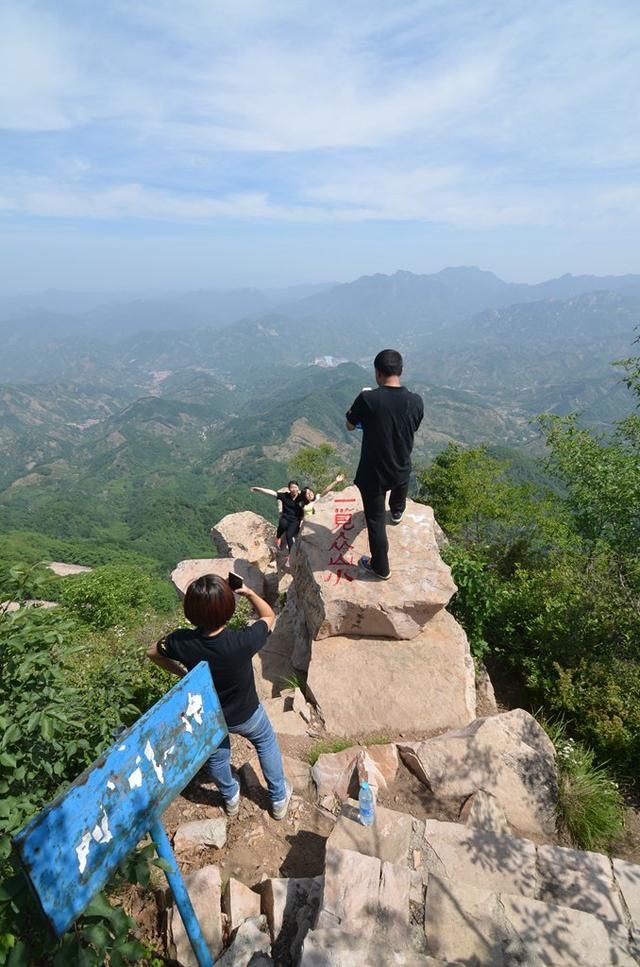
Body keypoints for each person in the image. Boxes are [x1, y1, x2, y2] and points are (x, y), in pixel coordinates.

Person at [147, 574, 292, 820]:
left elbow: (152, 652)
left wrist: (182, 674)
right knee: (265, 742)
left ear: (190, 611)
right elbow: (268, 616)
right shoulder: (242, 640)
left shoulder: (182, 641)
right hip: (247, 713)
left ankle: (230, 798)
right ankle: (278, 800)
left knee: (217, 755)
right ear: (228, 608)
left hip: (211, 715)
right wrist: (247, 592)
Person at [346, 349, 423, 580]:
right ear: (401, 371)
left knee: (376, 520)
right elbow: (412, 427)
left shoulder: (368, 399)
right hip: (401, 467)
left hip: (374, 473)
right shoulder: (416, 401)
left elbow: (350, 425)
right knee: (401, 480)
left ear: (377, 373)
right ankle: (398, 510)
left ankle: (381, 567)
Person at [250, 481, 304, 557]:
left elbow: (311, 498)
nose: (294, 489)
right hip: (286, 517)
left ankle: (291, 554)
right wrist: (258, 489)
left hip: (295, 520)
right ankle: (278, 537)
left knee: (289, 535)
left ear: (298, 488)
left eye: (295, 487)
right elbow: (272, 493)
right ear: (289, 489)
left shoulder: (302, 497)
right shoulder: (285, 496)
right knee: (282, 524)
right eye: (292, 487)